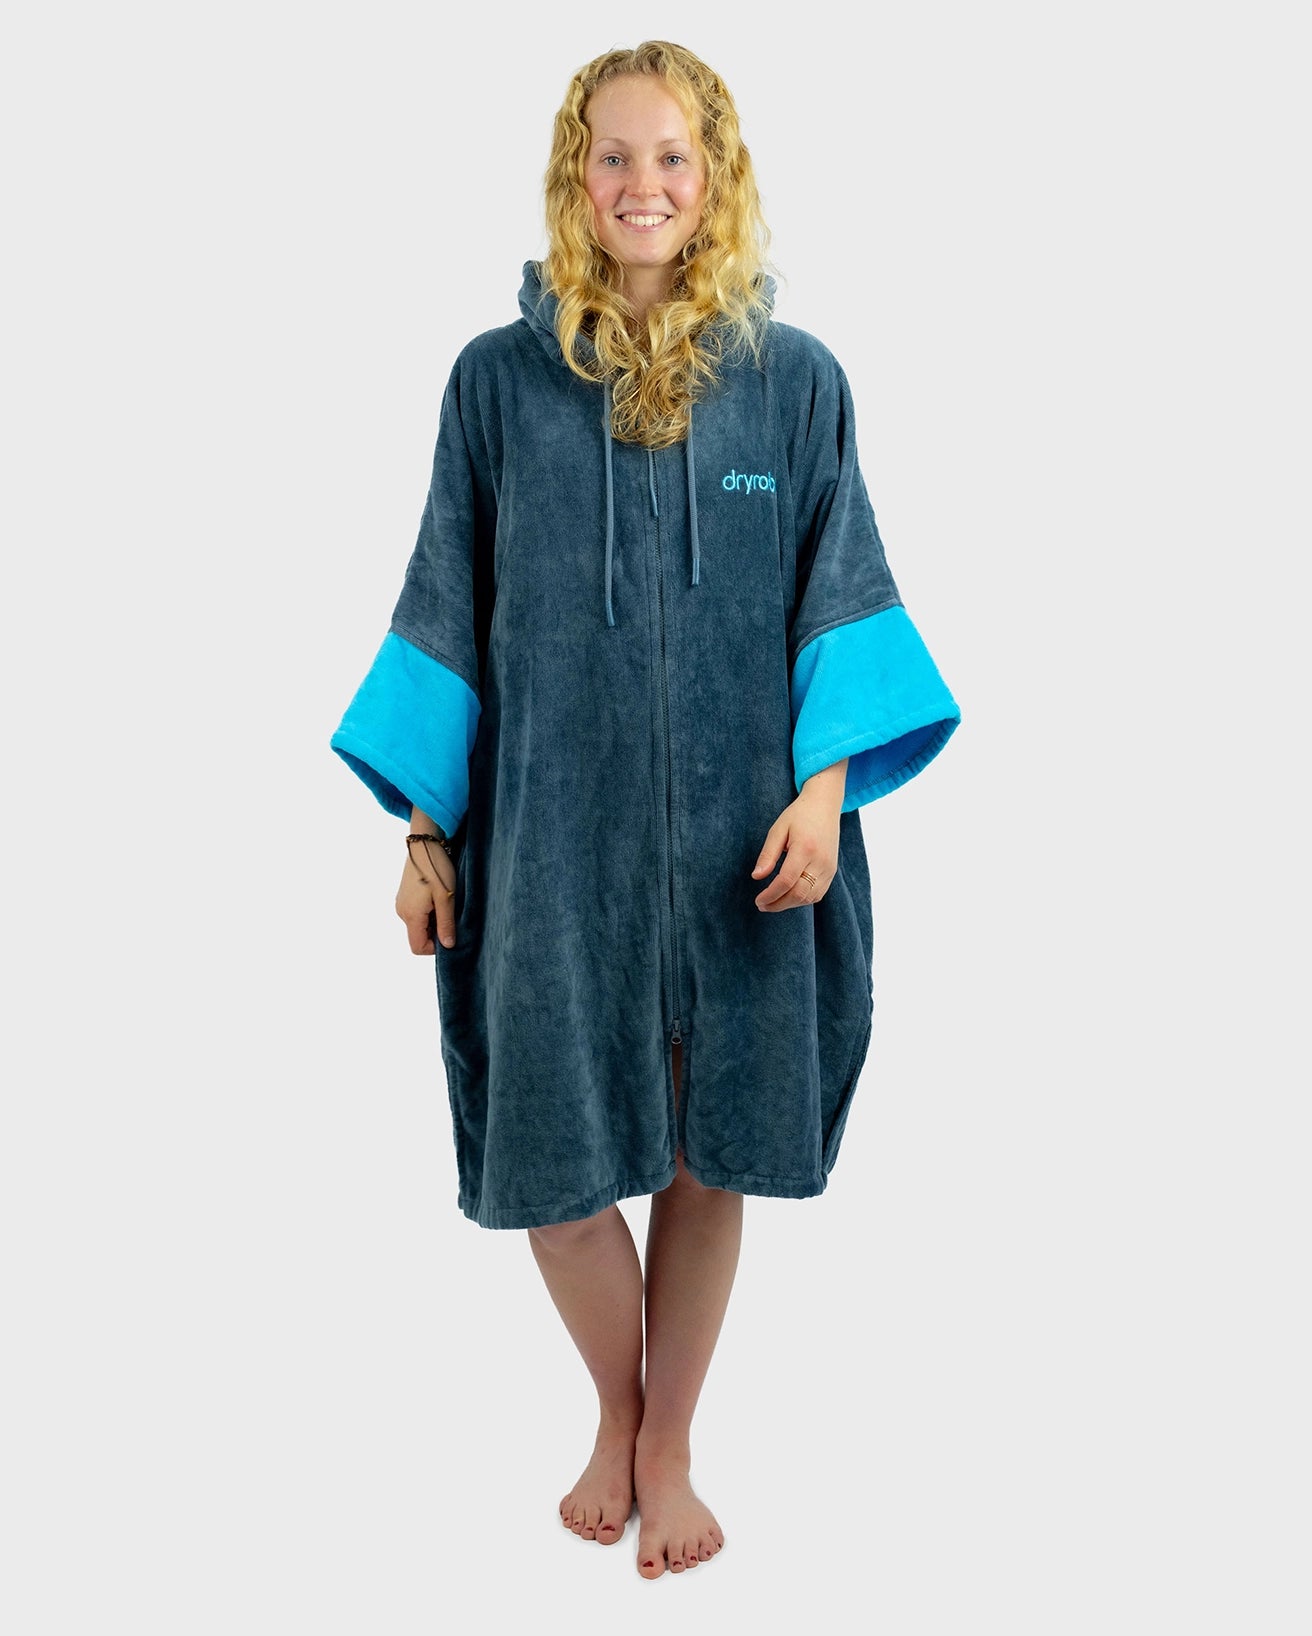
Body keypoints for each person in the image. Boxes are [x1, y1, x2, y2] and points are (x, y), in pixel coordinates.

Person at [330, 39, 960, 1578]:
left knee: (707, 1155)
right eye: (613, 156)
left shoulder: (794, 383)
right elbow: (445, 605)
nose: (643, 185)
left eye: (672, 155)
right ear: (575, 176)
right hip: (551, 846)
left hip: (748, 843)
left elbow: (840, 592)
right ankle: (618, 1408)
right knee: (552, 1171)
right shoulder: (496, 384)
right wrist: (423, 831)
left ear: (714, 173)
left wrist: (825, 794)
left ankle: (663, 1446)